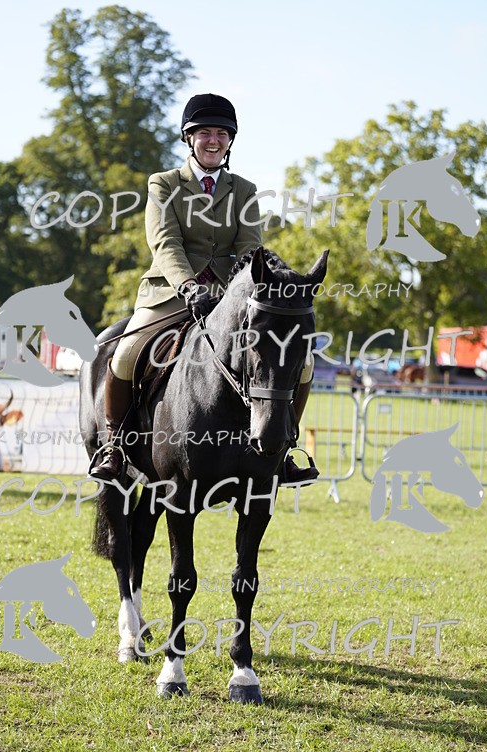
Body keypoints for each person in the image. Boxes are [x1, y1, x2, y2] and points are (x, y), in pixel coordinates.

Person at [90, 93, 319, 484]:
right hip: (171, 293)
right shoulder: (163, 184)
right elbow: (165, 242)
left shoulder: (244, 189)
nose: (213, 140)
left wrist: (238, 292)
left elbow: (250, 249)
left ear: (230, 140)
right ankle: (114, 445)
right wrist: (188, 285)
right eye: (205, 133)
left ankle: (284, 450)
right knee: (125, 353)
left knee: (303, 363)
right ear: (189, 138)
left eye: (221, 134)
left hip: (230, 299)